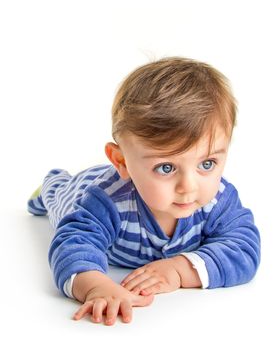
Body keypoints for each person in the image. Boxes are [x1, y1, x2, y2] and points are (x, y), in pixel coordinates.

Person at [28, 57, 261, 326]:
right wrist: (95, 286)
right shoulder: (104, 202)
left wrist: (179, 269)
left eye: (207, 164)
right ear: (122, 162)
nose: (189, 186)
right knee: (58, 197)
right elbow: (73, 243)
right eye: (165, 168)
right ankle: (50, 184)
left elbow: (244, 249)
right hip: (78, 190)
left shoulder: (219, 199)